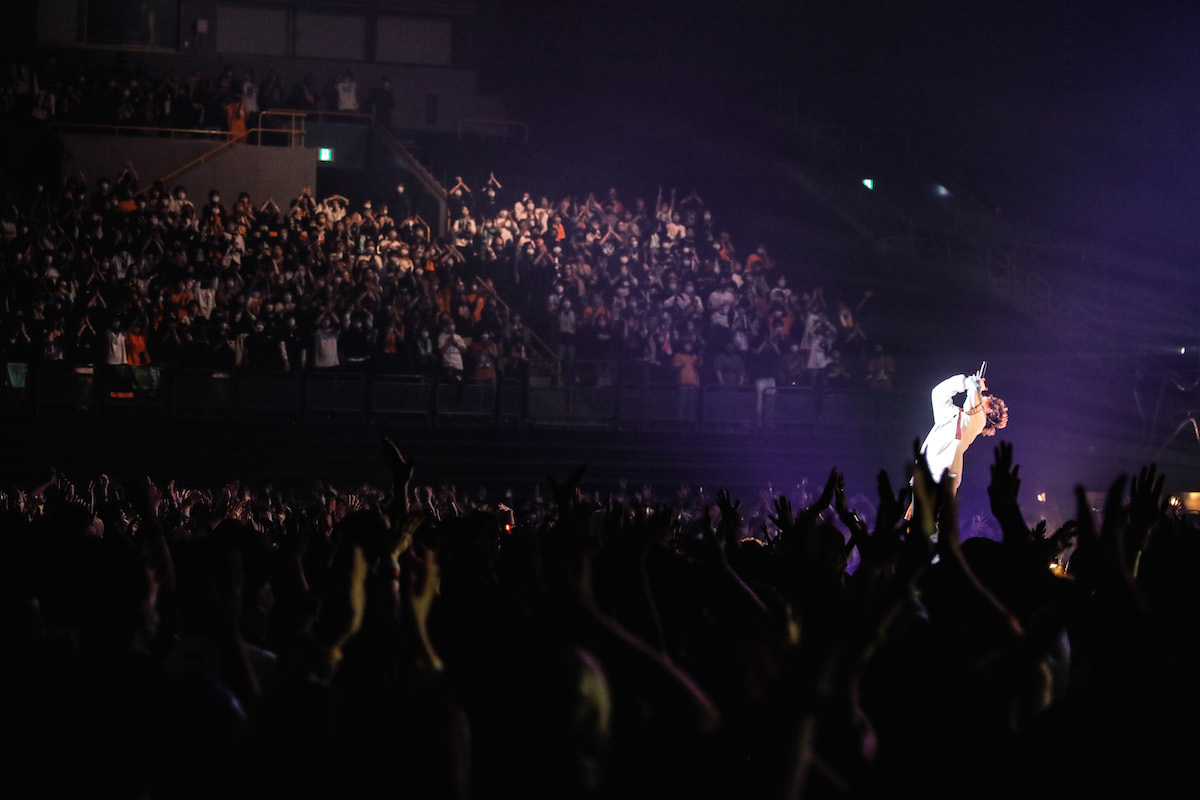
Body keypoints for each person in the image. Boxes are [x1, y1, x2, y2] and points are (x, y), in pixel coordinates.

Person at [917, 367, 1008, 498]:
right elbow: (938, 394)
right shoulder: (952, 414)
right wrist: (964, 383)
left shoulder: (977, 422)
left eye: (985, 398)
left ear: (988, 410)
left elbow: (972, 405)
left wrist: (976, 387)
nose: (982, 396)